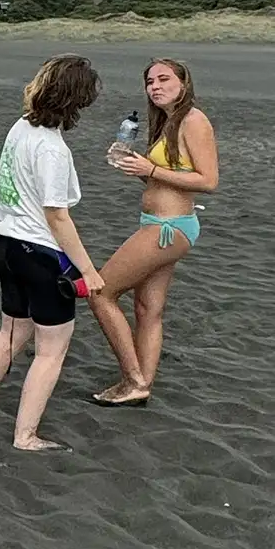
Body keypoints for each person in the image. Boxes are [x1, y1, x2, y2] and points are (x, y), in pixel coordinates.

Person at [0, 54, 104, 452]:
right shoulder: (52, 149)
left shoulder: (21, 127)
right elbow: (57, 216)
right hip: (40, 253)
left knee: (11, 331)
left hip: (9, 244)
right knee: (51, 350)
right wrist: (88, 270)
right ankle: (25, 435)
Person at [87, 58, 220, 407]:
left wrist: (151, 170)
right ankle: (142, 384)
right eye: (149, 82)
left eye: (164, 79)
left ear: (184, 83)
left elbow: (208, 180)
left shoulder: (194, 120)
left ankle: (132, 378)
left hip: (168, 228)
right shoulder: (167, 122)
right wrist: (137, 169)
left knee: (101, 292)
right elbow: (166, 179)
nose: (155, 86)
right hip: (157, 223)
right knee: (147, 308)